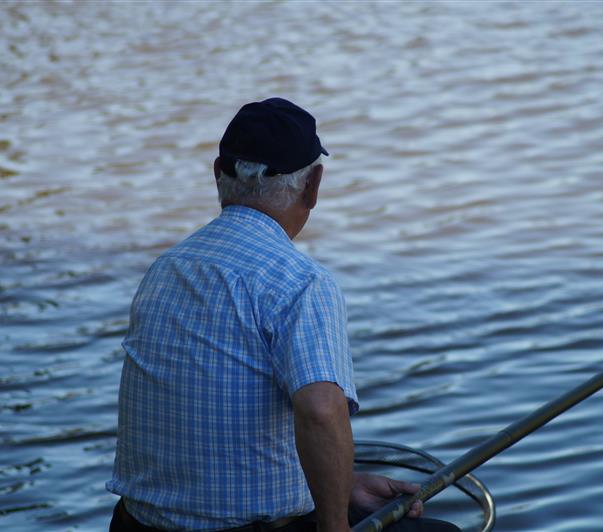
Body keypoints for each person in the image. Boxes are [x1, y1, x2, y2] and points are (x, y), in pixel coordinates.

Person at [106, 98, 458, 532]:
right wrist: (334, 524)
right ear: (313, 186)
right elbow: (321, 412)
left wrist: (342, 486)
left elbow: (209, 429)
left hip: (136, 525)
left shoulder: (166, 269)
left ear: (218, 174)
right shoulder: (298, 281)